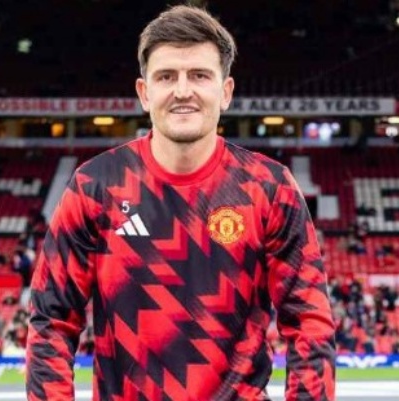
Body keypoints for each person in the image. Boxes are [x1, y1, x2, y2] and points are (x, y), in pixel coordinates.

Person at [26, 5, 335, 401]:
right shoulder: (95, 186)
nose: (183, 91)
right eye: (167, 76)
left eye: (200, 75)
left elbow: (309, 322)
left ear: (226, 92)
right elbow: (51, 321)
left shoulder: (270, 187)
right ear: (144, 93)